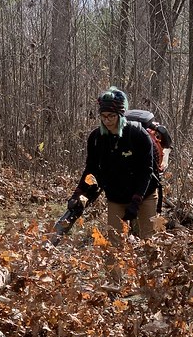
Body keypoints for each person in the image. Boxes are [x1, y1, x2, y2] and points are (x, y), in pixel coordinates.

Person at [67, 87, 159, 239]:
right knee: (114, 242)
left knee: (148, 240)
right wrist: (77, 193)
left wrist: (136, 201)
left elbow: (146, 170)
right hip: (116, 195)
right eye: (103, 116)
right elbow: (91, 169)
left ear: (121, 115)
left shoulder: (139, 135)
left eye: (111, 116)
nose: (106, 120)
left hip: (145, 193)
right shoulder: (96, 138)